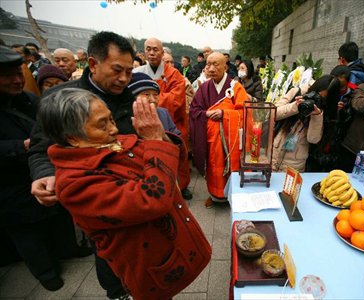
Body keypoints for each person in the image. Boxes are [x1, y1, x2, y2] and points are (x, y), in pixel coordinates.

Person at [39, 88, 211, 299]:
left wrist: (159, 138)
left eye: (111, 119)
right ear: (73, 138)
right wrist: (155, 141)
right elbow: (152, 200)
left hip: (179, 245)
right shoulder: (74, 185)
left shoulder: (113, 142)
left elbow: (174, 173)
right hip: (152, 266)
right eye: (102, 125)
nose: (113, 129)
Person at [29, 31, 138, 300]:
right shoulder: (60, 100)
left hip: (134, 195)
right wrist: (44, 174)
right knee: (108, 254)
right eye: (117, 70)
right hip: (97, 201)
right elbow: (40, 148)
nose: (124, 78)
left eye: (129, 71)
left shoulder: (131, 95)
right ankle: (116, 293)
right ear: (92, 63)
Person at [0, 46, 89, 292]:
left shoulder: (29, 99)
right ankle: (46, 272)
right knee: (27, 233)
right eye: (8, 76)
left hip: (48, 171)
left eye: (19, 74)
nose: (18, 80)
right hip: (10, 186)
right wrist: (20, 147)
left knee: (59, 218)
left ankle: (70, 249)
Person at [134, 37, 192, 200]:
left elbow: (177, 98)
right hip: (144, 117)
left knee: (179, 152)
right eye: (148, 49)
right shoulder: (137, 72)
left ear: (162, 52)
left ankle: (182, 185)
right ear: (144, 51)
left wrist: (149, 100)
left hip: (170, 119)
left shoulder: (173, 74)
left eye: (155, 49)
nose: (152, 53)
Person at [190, 52, 247, 208]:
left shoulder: (235, 87)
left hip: (230, 140)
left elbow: (246, 112)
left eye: (216, 64)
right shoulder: (204, 88)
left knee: (229, 167)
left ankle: (230, 196)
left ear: (225, 67)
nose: (211, 68)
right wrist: (206, 113)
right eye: (208, 64)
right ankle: (215, 196)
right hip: (209, 137)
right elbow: (194, 110)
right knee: (212, 167)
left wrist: (225, 114)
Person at [272, 75, 330, 172]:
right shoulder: (296, 92)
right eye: (316, 95)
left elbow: (313, 139)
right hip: (274, 159)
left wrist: (317, 116)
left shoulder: (321, 111)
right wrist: (295, 106)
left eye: (321, 99)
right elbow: (273, 113)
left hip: (294, 167)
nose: (316, 100)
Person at [306, 66, 355, 172]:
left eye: (341, 86)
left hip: (316, 153)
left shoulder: (350, 95)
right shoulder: (303, 94)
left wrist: (336, 112)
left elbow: (317, 138)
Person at [128, 72, 182, 136]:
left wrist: (163, 136)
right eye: (146, 94)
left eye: (155, 95)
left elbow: (177, 139)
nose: (153, 100)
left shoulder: (164, 113)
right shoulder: (127, 117)